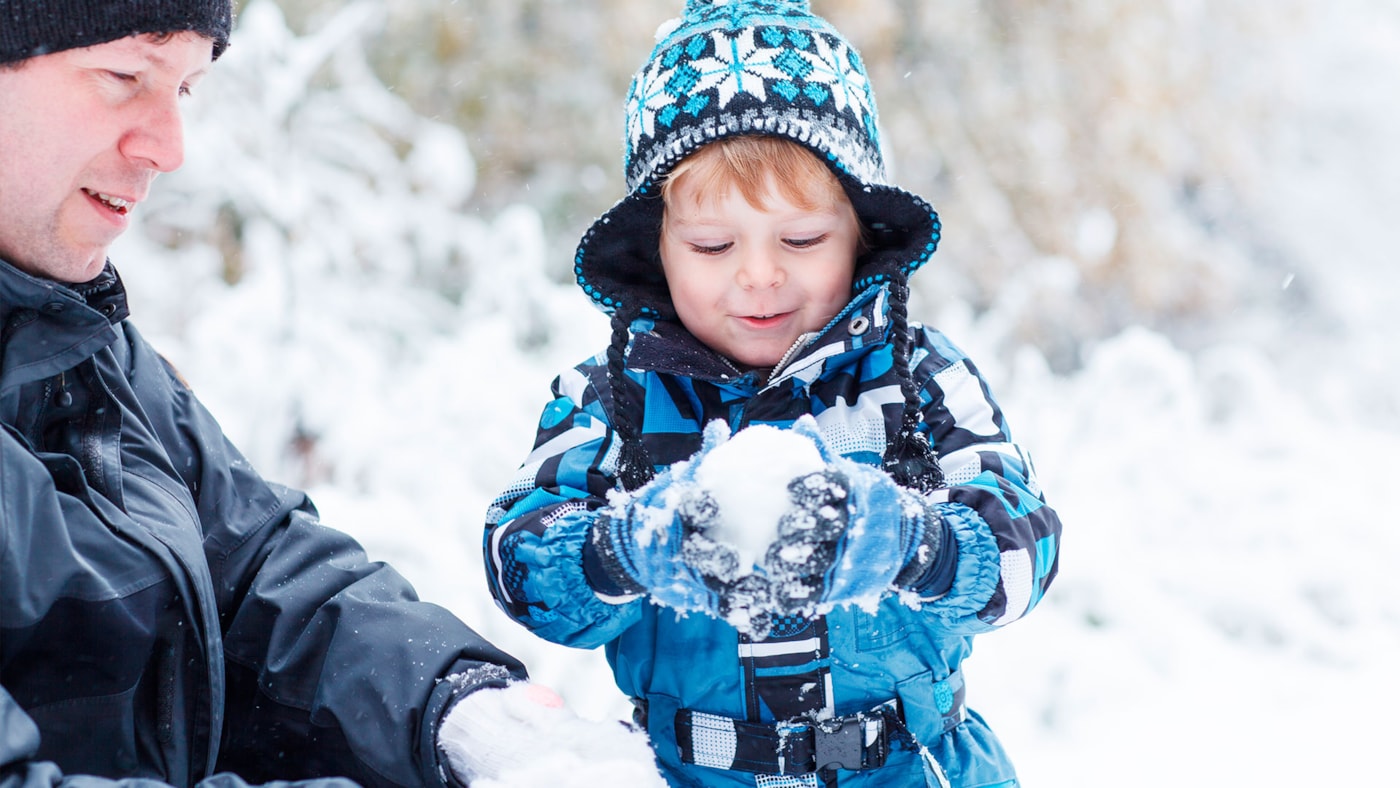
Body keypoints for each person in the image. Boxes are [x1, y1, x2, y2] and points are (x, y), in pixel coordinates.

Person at [0, 2, 640, 786]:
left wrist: (460, 718)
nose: (170, 147)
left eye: (187, 90)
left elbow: (258, 567)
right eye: (124, 76)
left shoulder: (77, 342)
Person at [482, 1, 1064, 786]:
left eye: (801, 239)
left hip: (910, 765)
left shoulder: (918, 376)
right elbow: (520, 565)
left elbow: (1023, 551)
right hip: (687, 770)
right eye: (714, 244)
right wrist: (633, 547)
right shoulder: (613, 397)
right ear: (658, 248)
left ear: (860, 233)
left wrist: (906, 542)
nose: (759, 275)